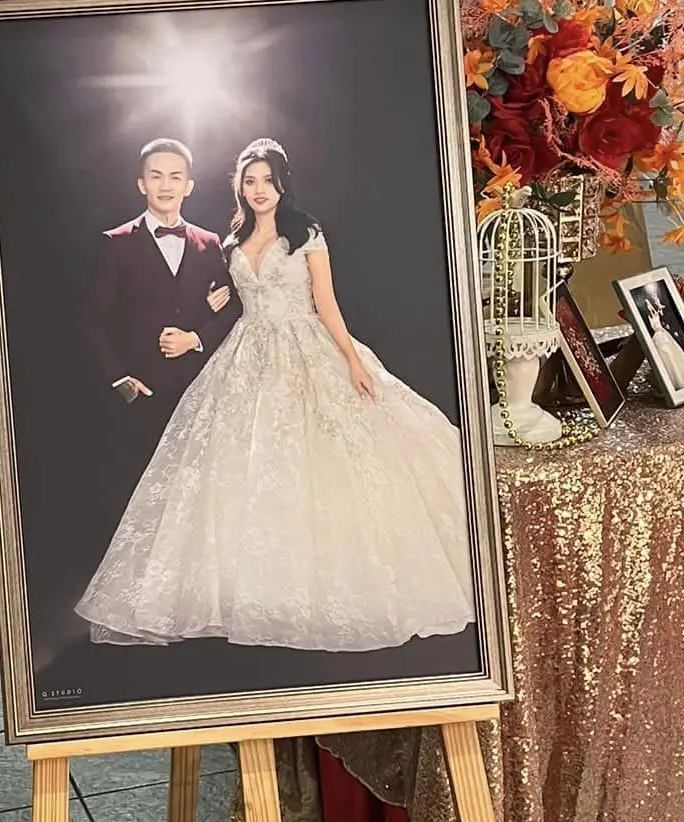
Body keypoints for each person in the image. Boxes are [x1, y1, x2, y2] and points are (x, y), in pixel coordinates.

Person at [76, 139, 475, 654]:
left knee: (322, 459)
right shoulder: (231, 237)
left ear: (282, 183)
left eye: (266, 180)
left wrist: (353, 360)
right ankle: (253, 590)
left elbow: (327, 303)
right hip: (247, 353)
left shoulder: (306, 232)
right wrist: (209, 308)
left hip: (306, 346)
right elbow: (226, 301)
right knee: (238, 467)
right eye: (249, 181)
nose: (258, 190)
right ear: (238, 187)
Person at [92, 138, 241, 462]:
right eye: (156, 176)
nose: (166, 185)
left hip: (201, 390)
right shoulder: (115, 243)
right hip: (144, 394)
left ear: (188, 186)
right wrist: (122, 381)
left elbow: (233, 309)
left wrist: (196, 339)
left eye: (175, 177)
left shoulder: (210, 242)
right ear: (142, 184)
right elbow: (96, 324)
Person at [638, 291, 684, 391]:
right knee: (667, 355)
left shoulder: (654, 309)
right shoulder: (650, 311)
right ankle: (672, 379)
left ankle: (680, 377)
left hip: (661, 332)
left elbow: (659, 310)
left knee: (673, 353)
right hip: (659, 333)